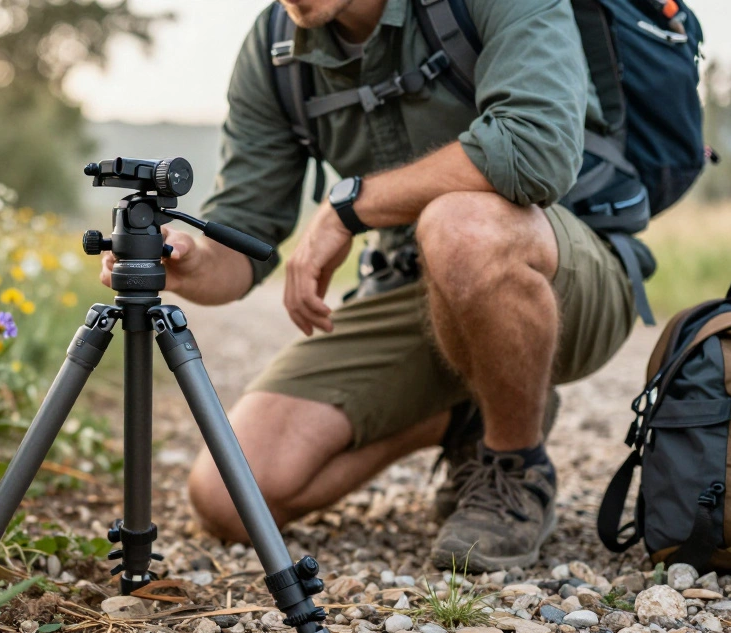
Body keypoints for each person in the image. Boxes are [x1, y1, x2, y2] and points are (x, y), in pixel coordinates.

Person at [100, 0, 636, 572]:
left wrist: (349, 206)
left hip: (563, 271)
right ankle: (469, 415)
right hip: (411, 286)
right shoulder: (275, 46)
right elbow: (244, 233)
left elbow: (534, 148)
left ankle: (515, 467)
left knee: (461, 227)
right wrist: (186, 260)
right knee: (226, 497)